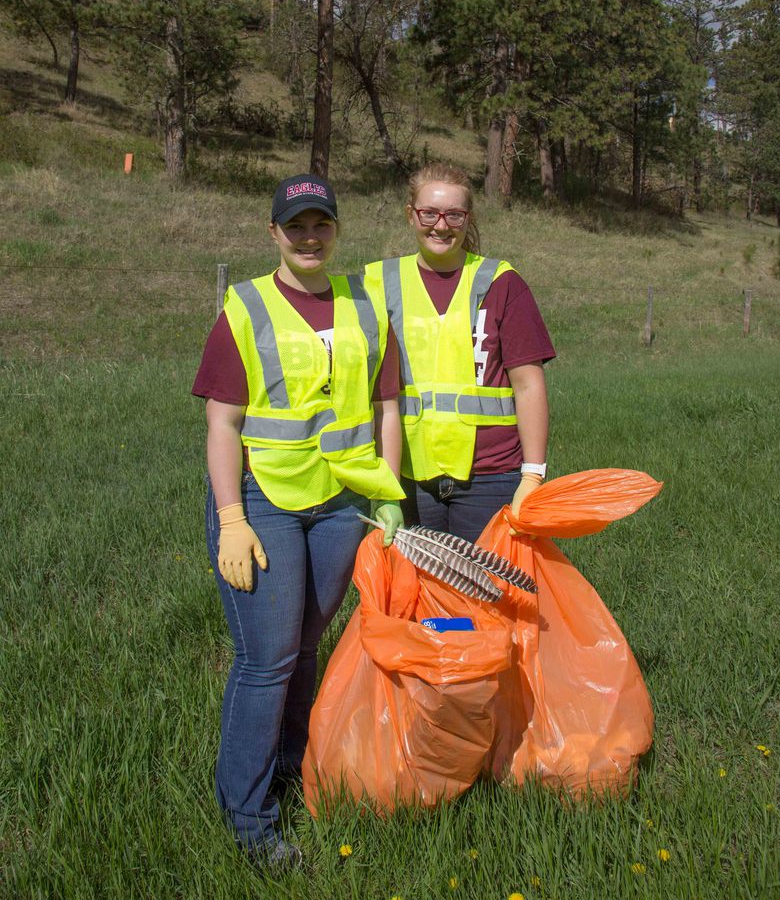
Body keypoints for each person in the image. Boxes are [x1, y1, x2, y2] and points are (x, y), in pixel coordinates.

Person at [193, 173, 405, 869]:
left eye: (321, 224)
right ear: (274, 232)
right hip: (264, 501)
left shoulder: (364, 307)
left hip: (342, 503)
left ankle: (290, 764)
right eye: (297, 226)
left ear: (335, 229)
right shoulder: (246, 307)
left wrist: (388, 492)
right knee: (267, 660)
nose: (310, 237)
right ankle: (249, 820)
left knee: (309, 642)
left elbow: (386, 408)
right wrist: (230, 518)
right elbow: (222, 425)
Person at [365, 162, 555, 543]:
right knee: (422, 600)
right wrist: (381, 484)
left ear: (468, 219)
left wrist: (532, 475)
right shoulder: (376, 282)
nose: (441, 225)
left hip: (490, 476)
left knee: (486, 596)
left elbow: (529, 385)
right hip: (408, 476)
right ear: (410, 215)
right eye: (429, 213)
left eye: (454, 214)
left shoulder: (501, 283)